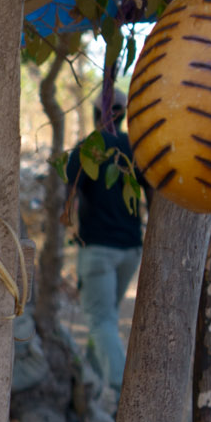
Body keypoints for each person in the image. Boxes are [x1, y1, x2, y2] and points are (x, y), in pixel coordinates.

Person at [62, 98, 146, 401]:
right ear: (123, 115)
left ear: (95, 113)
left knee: (101, 321)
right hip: (130, 251)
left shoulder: (87, 148)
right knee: (105, 318)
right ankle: (93, 386)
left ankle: (124, 389)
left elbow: (66, 195)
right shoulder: (135, 149)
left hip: (97, 249)